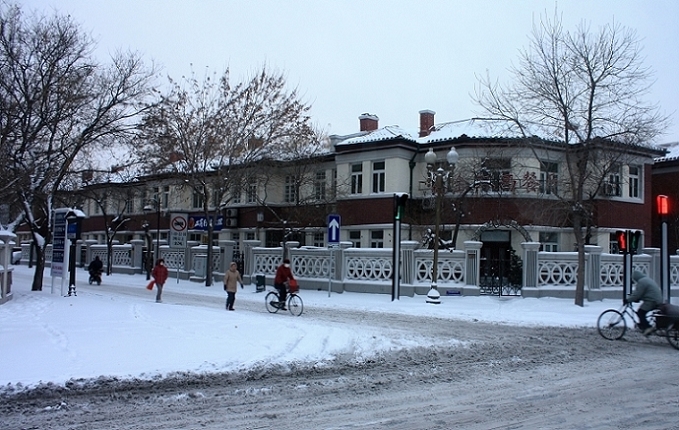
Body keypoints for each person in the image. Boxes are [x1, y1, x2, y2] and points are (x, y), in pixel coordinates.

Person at [625, 270, 663, 335]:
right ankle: (643, 326)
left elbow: (637, 294)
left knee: (640, 313)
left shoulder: (641, 282)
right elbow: (643, 293)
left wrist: (628, 300)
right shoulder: (646, 279)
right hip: (656, 299)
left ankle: (648, 328)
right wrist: (637, 299)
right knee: (641, 312)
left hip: (652, 301)